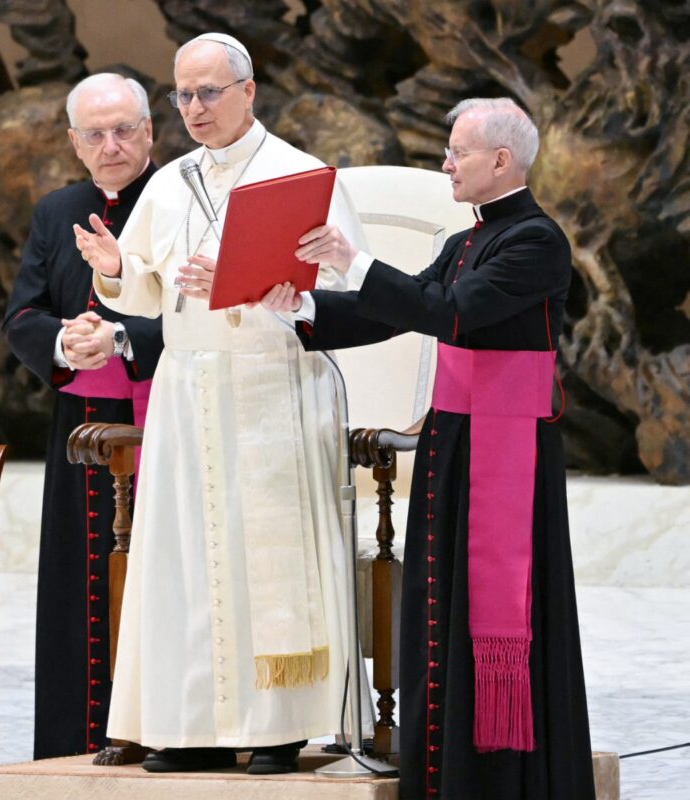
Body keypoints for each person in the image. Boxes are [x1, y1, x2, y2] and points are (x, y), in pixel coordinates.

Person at [272, 97, 595, 799]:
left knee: (503, 608)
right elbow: (403, 306)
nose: (446, 163)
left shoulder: (537, 242)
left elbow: (453, 314)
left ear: (501, 160)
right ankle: (444, 768)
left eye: (458, 153)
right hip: (453, 446)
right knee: (437, 601)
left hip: (508, 452)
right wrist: (302, 309)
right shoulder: (466, 240)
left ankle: (507, 777)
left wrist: (354, 259)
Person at [73, 33, 367, 774]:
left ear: (248, 90)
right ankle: (188, 726)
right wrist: (116, 272)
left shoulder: (301, 176)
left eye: (208, 92)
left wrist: (272, 288)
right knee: (185, 558)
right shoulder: (170, 182)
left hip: (273, 384)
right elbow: (143, 285)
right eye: (183, 95)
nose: (194, 108)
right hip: (187, 387)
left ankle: (278, 726)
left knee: (262, 558)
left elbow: (346, 286)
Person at [2, 73, 163, 760]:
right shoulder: (55, 210)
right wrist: (63, 341)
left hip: (165, 420)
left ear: (150, 132)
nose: (111, 144)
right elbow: (23, 313)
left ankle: (164, 734)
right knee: (81, 586)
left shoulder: (181, 199)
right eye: (95, 134)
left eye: (124, 129)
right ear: (73, 142)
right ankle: (76, 739)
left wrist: (123, 337)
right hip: (83, 427)